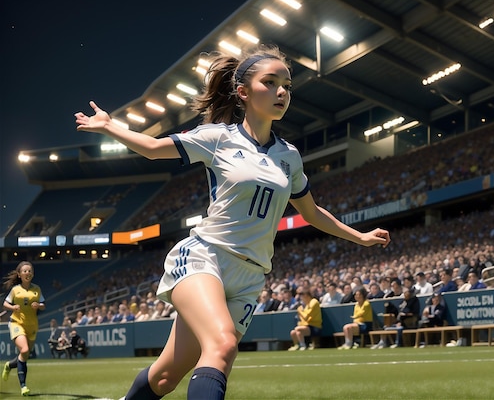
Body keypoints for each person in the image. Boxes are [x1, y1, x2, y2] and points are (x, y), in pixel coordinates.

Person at [75, 45, 390, 400]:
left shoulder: (290, 156)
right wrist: (109, 125)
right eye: (269, 82)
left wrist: (359, 237)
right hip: (204, 257)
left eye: (287, 84)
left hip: (250, 277)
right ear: (243, 92)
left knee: (165, 377)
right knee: (223, 345)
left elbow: (312, 212)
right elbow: (151, 147)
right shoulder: (218, 138)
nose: (281, 91)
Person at [2, 261, 46, 396]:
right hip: (17, 323)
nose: (28, 273)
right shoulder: (15, 290)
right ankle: (23, 386)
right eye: (25, 271)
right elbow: (5, 304)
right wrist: (13, 307)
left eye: (30, 271)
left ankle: (9, 365)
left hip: (32, 325)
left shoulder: (37, 289)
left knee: (24, 356)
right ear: (20, 275)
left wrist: (38, 305)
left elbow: (43, 305)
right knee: (25, 349)